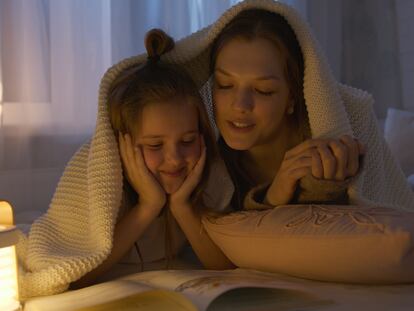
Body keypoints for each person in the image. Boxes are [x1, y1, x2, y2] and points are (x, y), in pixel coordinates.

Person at [17, 29, 234, 299]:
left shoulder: (206, 173)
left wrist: (181, 206)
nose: (175, 158)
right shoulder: (102, 179)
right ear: (123, 146)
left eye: (188, 140)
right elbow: (78, 275)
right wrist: (147, 205)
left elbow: (223, 268)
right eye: (155, 146)